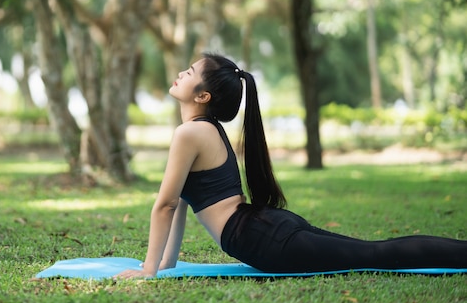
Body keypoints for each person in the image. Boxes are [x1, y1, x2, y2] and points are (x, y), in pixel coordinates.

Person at [115, 52, 467, 279]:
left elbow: (165, 205)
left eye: (189, 71)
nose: (179, 72)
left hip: (261, 238)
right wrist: (164, 265)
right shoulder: (204, 131)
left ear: (203, 96)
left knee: (375, 254)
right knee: (373, 250)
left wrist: (148, 270)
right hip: (264, 228)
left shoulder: (190, 133)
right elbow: (178, 203)